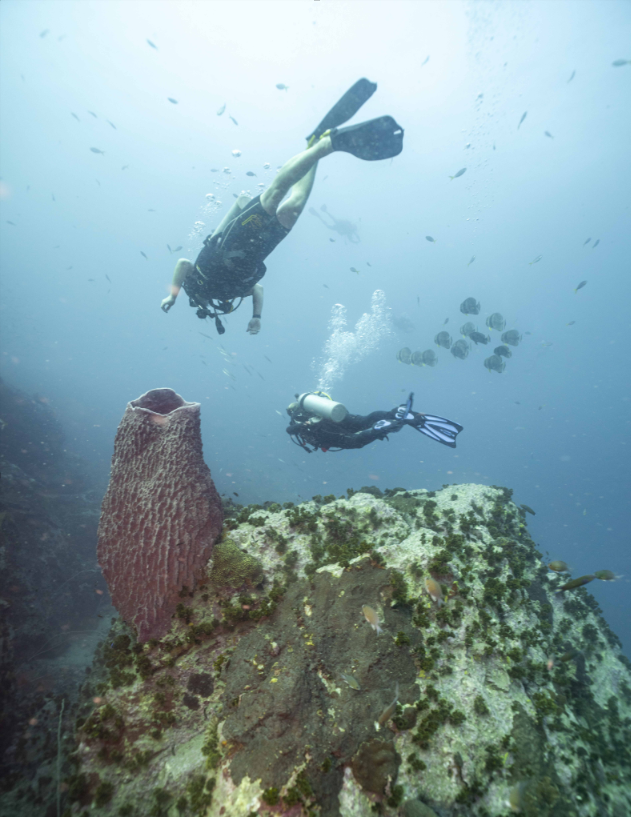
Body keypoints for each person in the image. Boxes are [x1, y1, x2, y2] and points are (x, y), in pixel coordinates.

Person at [160, 79, 403, 335]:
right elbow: (258, 288)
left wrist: (173, 297)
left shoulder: (193, 284)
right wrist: (257, 317)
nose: (203, 306)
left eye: (199, 306)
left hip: (235, 237)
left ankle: (326, 145)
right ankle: (317, 146)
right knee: (293, 208)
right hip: (259, 251)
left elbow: (184, 262)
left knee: (275, 194)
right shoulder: (229, 296)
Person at [286, 392, 463, 453]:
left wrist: (302, 426)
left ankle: (377, 429)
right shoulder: (313, 409)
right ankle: (393, 413)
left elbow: (289, 430)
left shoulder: (301, 420)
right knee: (365, 420)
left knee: (352, 441)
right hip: (337, 417)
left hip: (324, 430)